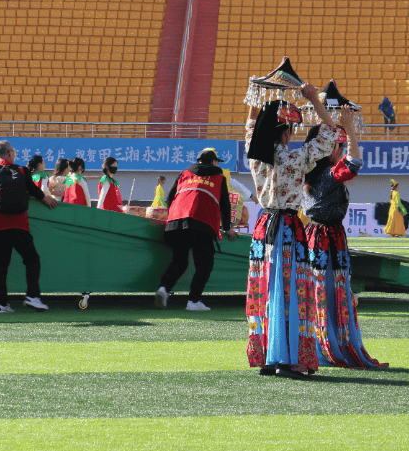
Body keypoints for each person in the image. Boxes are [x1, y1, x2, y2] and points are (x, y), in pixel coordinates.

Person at [245, 83, 337, 379]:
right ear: (284, 133)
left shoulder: (255, 155)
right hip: (286, 227)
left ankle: (269, 356)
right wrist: (313, 99)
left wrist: (259, 93)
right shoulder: (292, 159)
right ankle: (287, 358)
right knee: (290, 292)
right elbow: (329, 134)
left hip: (263, 228)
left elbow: (250, 125)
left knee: (265, 289)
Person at [302, 108, 387, 369]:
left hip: (320, 237)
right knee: (330, 293)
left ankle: (321, 346)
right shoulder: (328, 175)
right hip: (326, 239)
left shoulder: (310, 175)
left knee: (322, 294)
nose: (339, 149)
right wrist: (349, 127)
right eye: (337, 146)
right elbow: (354, 164)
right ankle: (332, 348)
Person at [0, 140, 57, 313]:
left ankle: (1, 304)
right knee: (32, 260)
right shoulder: (23, 171)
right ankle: (33, 296)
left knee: (0, 267)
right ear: (10, 153)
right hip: (19, 225)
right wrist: (45, 198)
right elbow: (33, 189)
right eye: (14, 151)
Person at [154, 148, 235, 312]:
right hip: (200, 222)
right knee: (205, 263)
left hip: (175, 222)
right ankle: (193, 301)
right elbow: (225, 205)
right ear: (213, 162)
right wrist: (227, 228)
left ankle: (163, 289)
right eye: (217, 161)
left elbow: (169, 196)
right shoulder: (219, 177)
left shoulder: (185, 173)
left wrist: (173, 216)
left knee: (179, 261)